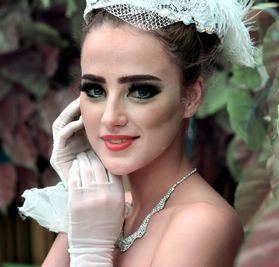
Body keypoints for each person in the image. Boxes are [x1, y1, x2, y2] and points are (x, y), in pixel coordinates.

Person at [19, 0, 257, 266]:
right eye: (95, 90)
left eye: (141, 91)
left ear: (190, 96)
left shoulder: (203, 224)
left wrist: (91, 251)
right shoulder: (103, 210)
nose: (110, 118)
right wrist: (77, 197)